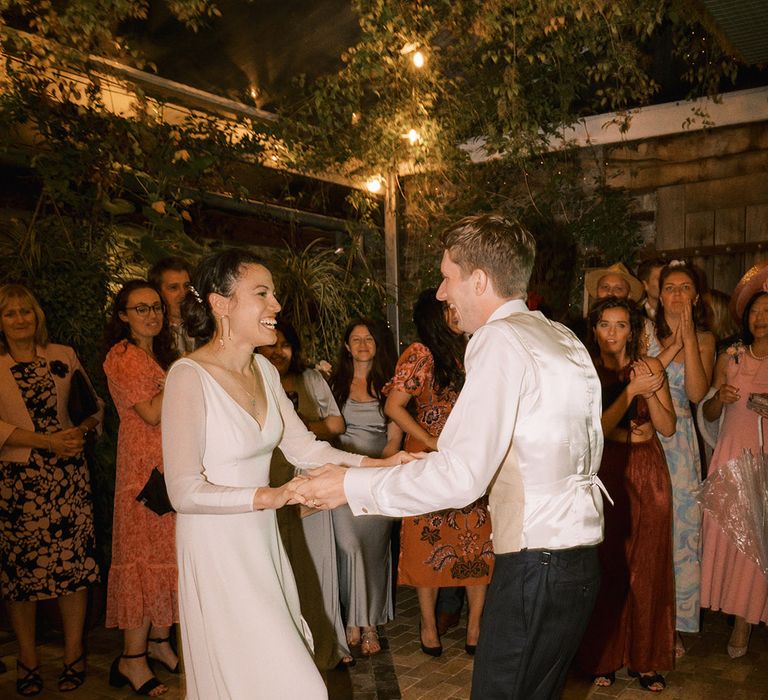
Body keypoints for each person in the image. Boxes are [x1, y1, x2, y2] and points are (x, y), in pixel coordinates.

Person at [299, 214, 606, 699]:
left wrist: (348, 486)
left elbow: (463, 475)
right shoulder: (559, 336)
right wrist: (403, 466)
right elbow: (527, 450)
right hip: (576, 558)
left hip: (535, 562)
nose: (442, 293)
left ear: (479, 279)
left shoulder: (499, 339)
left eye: (447, 277)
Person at [160, 249, 410, 699]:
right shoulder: (188, 376)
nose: (276, 305)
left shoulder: (263, 370)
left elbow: (306, 449)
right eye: (262, 293)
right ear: (221, 303)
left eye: (274, 294)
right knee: (292, 685)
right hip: (218, 548)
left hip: (262, 542)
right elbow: (182, 491)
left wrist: (381, 464)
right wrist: (271, 496)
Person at [0, 284, 101, 696]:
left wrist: (77, 431)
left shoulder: (62, 355)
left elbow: (93, 407)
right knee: (21, 577)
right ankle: (27, 658)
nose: (21, 318)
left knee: (72, 572)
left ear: (37, 316)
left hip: (68, 480)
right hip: (17, 485)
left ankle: (74, 654)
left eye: (26, 311)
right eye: (10, 313)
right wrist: (45, 442)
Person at [384, 288, 493, 657]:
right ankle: (428, 624)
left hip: (468, 458)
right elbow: (394, 405)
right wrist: (428, 440)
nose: (457, 311)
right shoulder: (420, 353)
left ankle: (476, 626)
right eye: (449, 308)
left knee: (477, 540)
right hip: (429, 460)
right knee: (425, 543)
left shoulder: (473, 349)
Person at [578, 297, 676, 692]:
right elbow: (593, 430)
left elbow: (667, 427)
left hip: (649, 471)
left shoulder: (650, 367)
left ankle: (647, 659)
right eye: (605, 324)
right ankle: (604, 656)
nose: (613, 333)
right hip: (607, 470)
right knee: (608, 566)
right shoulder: (584, 372)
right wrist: (630, 391)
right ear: (595, 329)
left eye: (622, 325)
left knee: (649, 566)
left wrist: (649, 392)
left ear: (633, 331)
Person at [258, 321, 352, 668]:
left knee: (314, 566)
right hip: (269, 487)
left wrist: (298, 427)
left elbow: (329, 430)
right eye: (271, 344)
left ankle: (322, 643)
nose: (278, 352)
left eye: (285, 345)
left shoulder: (308, 379)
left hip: (308, 477)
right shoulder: (252, 379)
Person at [103, 280, 180, 698]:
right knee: (140, 560)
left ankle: (158, 642)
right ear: (122, 317)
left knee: (164, 556)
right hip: (142, 472)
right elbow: (151, 413)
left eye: (156, 307)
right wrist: (186, 377)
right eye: (140, 309)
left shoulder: (158, 356)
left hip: (167, 467)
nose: (152, 315)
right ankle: (131, 659)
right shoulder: (124, 356)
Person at [647, 261, 715, 653]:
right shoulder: (644, 332)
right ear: (660, 295)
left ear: (695, 295)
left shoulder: (705, 339)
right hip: (647, 434)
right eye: (670, 287)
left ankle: (671, 626)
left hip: (682, 443)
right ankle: (641, 621)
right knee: (646, 529)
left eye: (684, 287)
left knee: (681, 533)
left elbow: (694, 392)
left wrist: (688, 337)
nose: (676, 294)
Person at [701, 269, 768, 659]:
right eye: (756, 311)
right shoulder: (732, 356)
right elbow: (707, 412)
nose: (761, 318)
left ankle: (743, 624)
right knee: (732, 543)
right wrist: (720, 398)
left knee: (759, 546)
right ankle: (731, 608)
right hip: (731, 459)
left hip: (765, 464)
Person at [328, 319, 404, 656]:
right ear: (346, 346)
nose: (362, 344)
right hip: (342, 478)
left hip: (378, 479)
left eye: (368, 338)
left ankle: (368, 624)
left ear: (377, 344)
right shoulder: (334, 385)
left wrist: (382, 470)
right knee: (347, 546)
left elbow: (394, 436)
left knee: (374, 552)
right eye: (355, 339)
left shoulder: (390, 385)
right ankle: (350, 620)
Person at [148, 257, 195, 355]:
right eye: (174, 288)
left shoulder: (205, 326)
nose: (183, 294)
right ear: (158, 292)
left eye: (187, 286)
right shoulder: (151, 333)